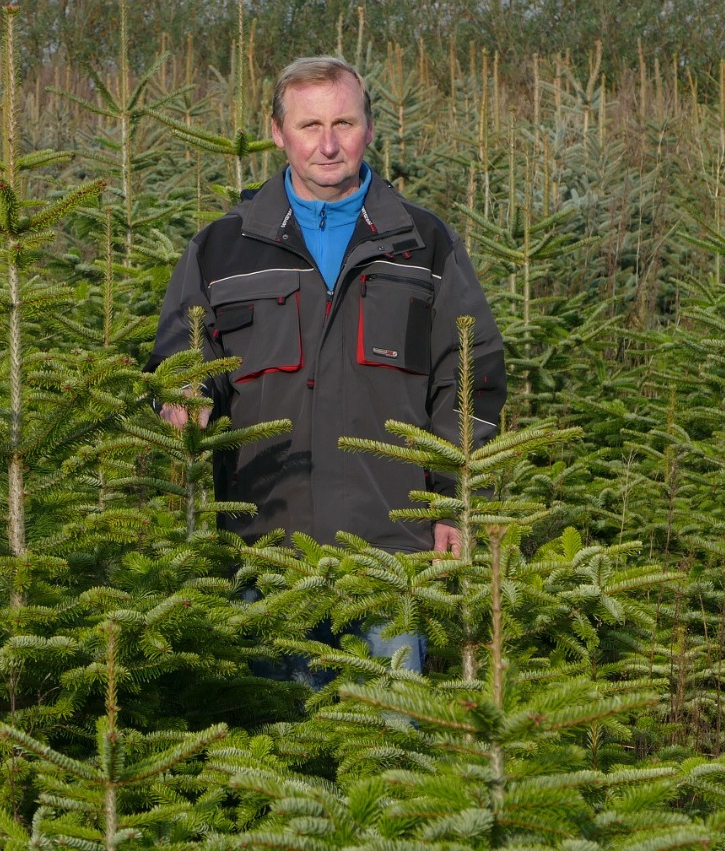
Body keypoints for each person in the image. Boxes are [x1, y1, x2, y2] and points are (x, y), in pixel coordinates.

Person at [147, 56, 506, 675]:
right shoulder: (224, 246)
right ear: (278, 131)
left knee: (393, 739)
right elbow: (186, 348)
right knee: (271, 749)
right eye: (310, 125)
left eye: (344, 122)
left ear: (369, 127)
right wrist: (186, 394)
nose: (329, 144)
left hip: (392, 551)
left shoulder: (422, 243)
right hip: (264, 547)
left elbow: (467, 375)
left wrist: (453, 503)